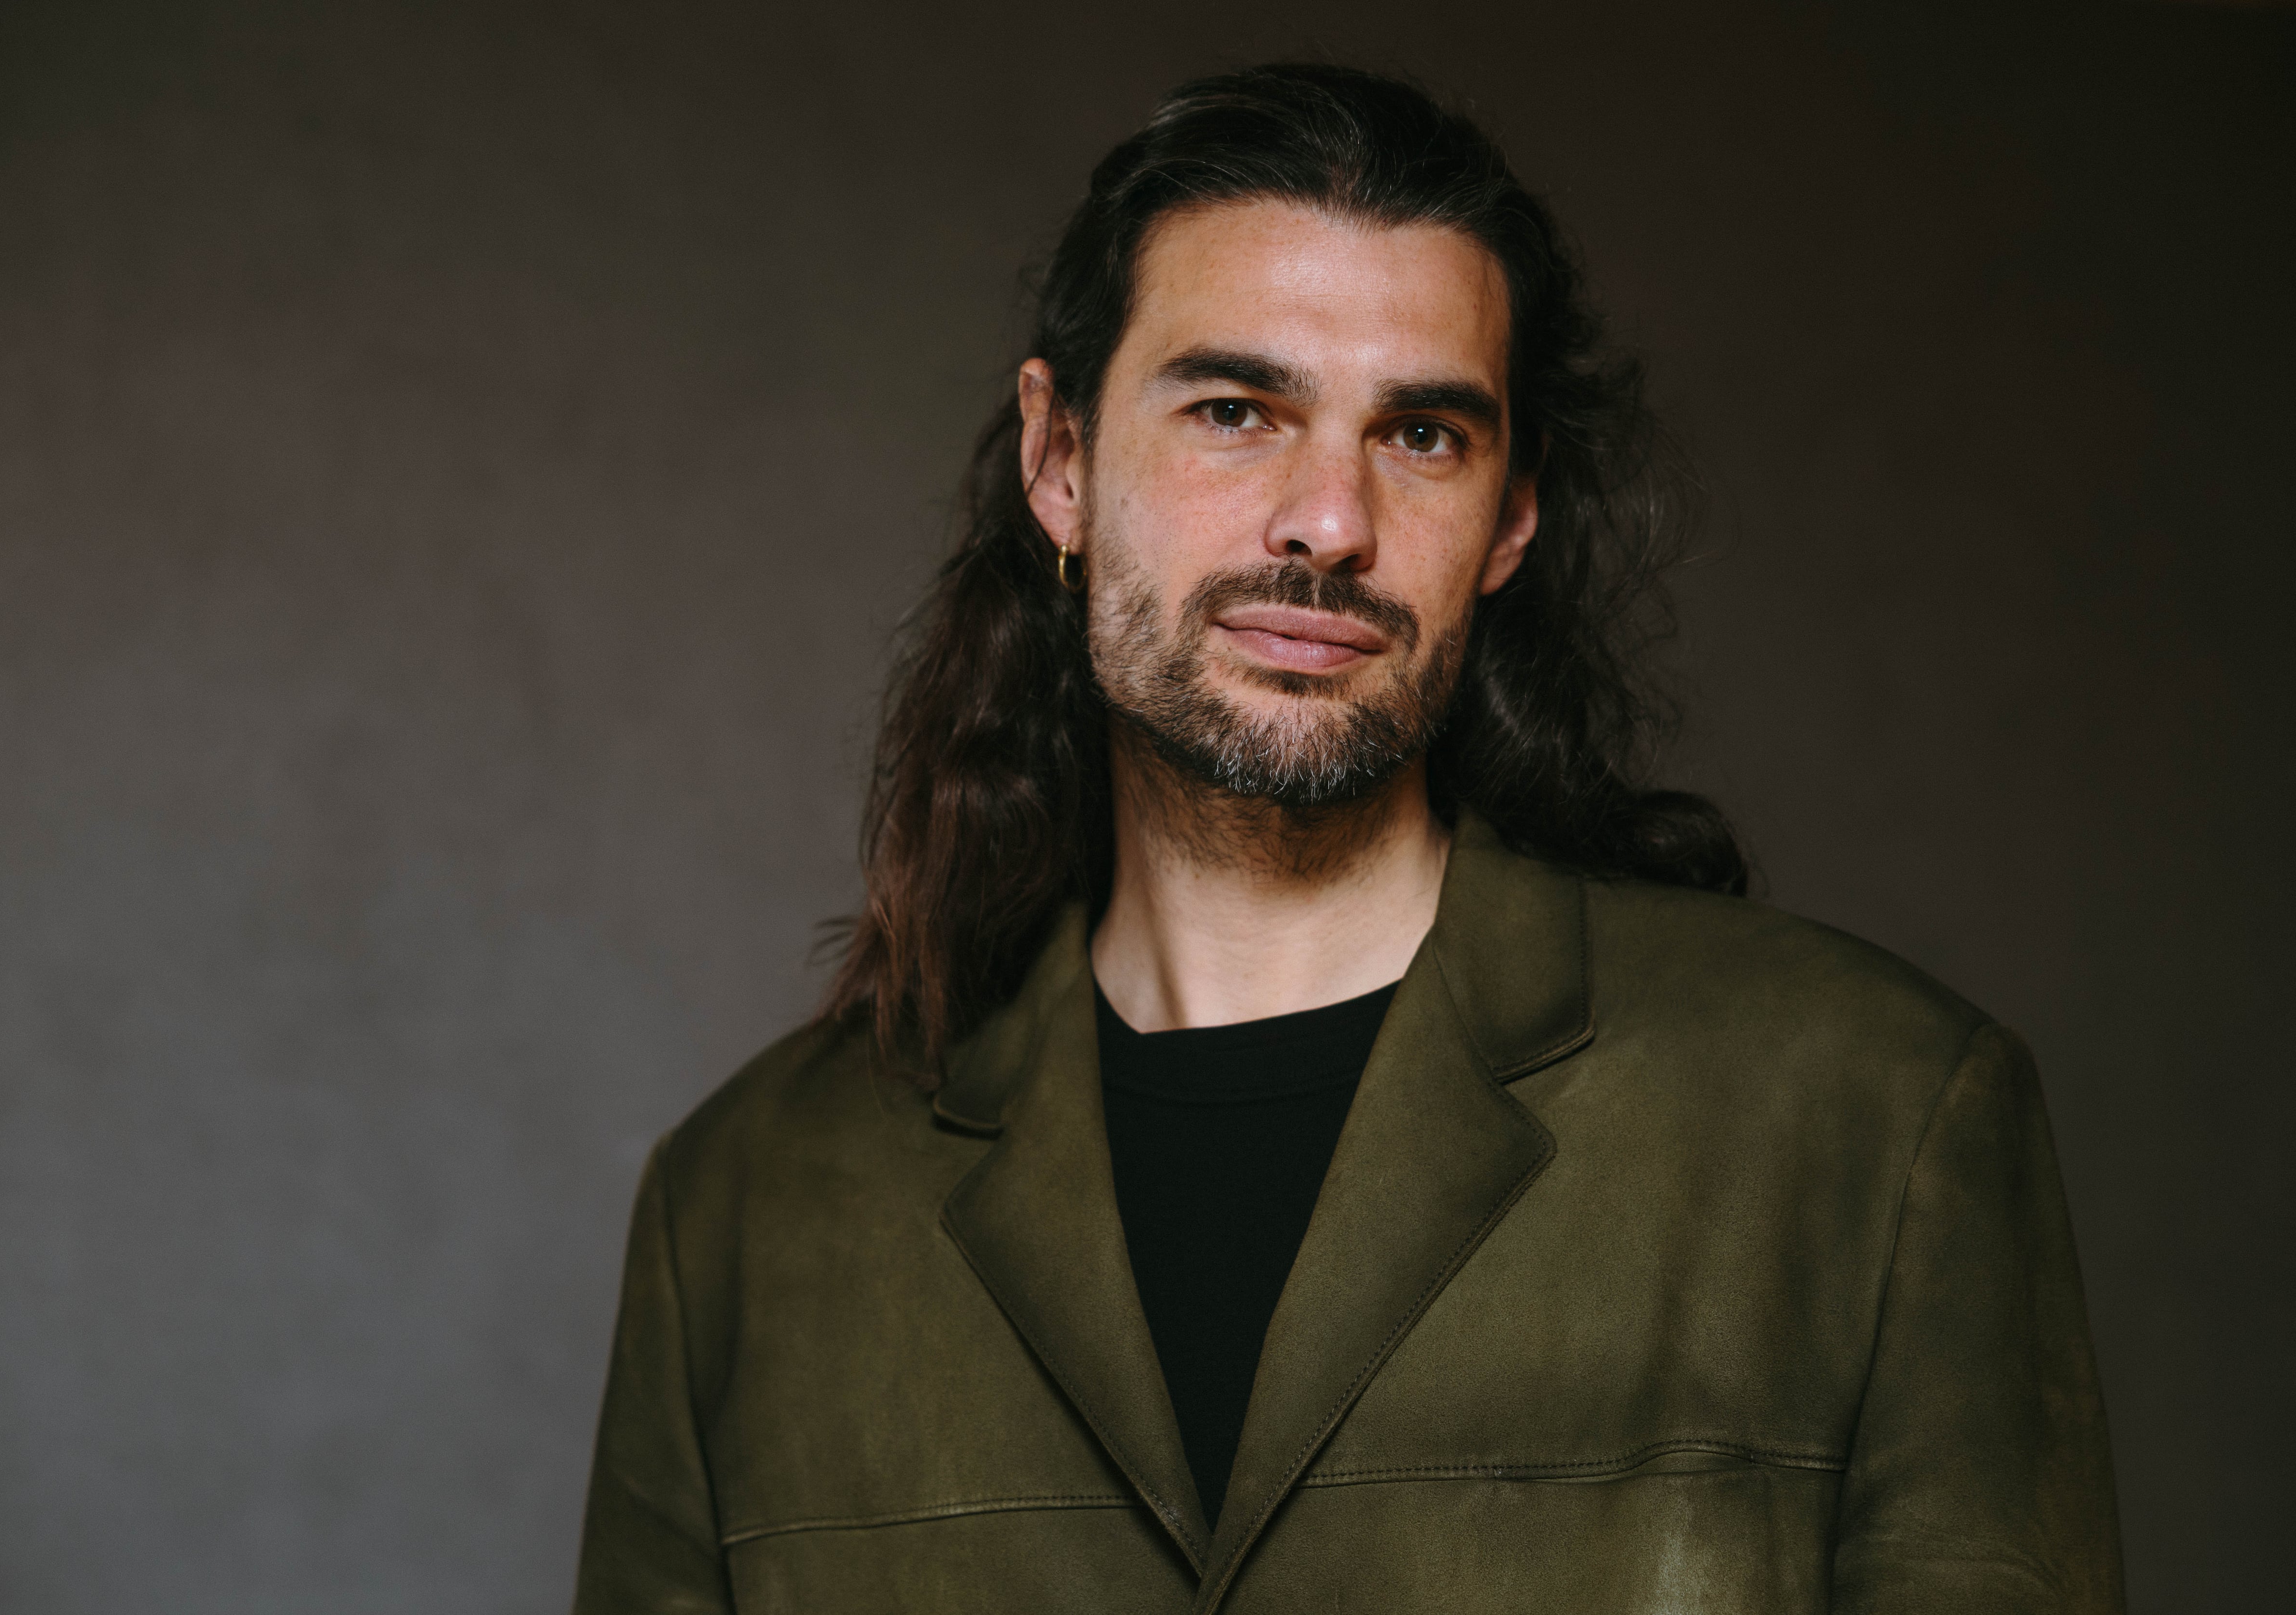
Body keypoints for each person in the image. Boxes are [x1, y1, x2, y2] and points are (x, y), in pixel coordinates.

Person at [572, 63, 2121, 1614]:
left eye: (1424, 436)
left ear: (1513, 513)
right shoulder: (745, 1216)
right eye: (1236, 411)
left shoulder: (1879, 1123)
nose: (1329, 522)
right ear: (1063, 464)